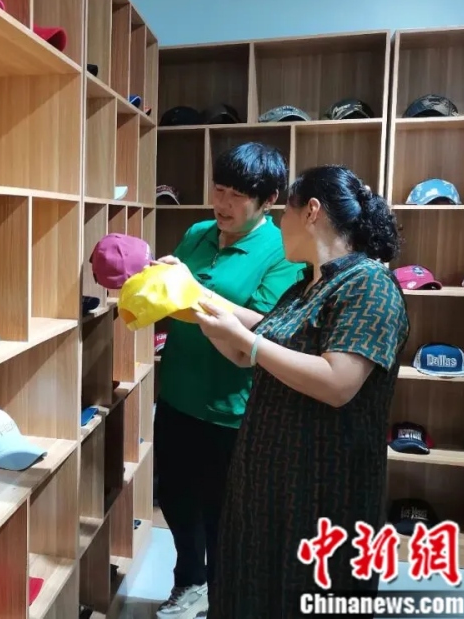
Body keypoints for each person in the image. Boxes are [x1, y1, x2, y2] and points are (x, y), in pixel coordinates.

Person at [192, 165, 410, 618]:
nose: (278, 226)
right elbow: (257, 345)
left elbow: (337, 383)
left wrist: (247, 341)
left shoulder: (370, 285)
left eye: (283, 213)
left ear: (311, 211)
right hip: (266, 482)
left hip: (323, 489)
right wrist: (191, 296)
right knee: (249, 594)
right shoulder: (306, 284)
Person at [153, 142, 305, 617]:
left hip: (233, 409)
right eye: (218, 189)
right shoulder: (197, 233)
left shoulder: (282, 250)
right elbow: (172, 299)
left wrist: (191, 289)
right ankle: (189, 582)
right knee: (176, 499)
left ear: (269, 200)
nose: (222, 203)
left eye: (237, 195)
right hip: (177, 393)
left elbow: (264, 325)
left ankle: (226, 597)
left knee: (226, 516)